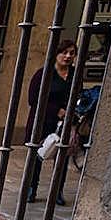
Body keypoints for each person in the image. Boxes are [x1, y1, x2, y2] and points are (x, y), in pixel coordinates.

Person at [25, 39, 76, 206]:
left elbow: (76, 96)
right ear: (56, 54)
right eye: (64, 52)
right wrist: (57, 110)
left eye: (71, 53)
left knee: (61, 157)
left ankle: (57, 191)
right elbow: (33, 98)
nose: (67, 56)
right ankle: (31, 188)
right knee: (37, 154)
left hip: (63, 123)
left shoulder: (74, 75)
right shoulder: (44, 73)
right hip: (42, 121)